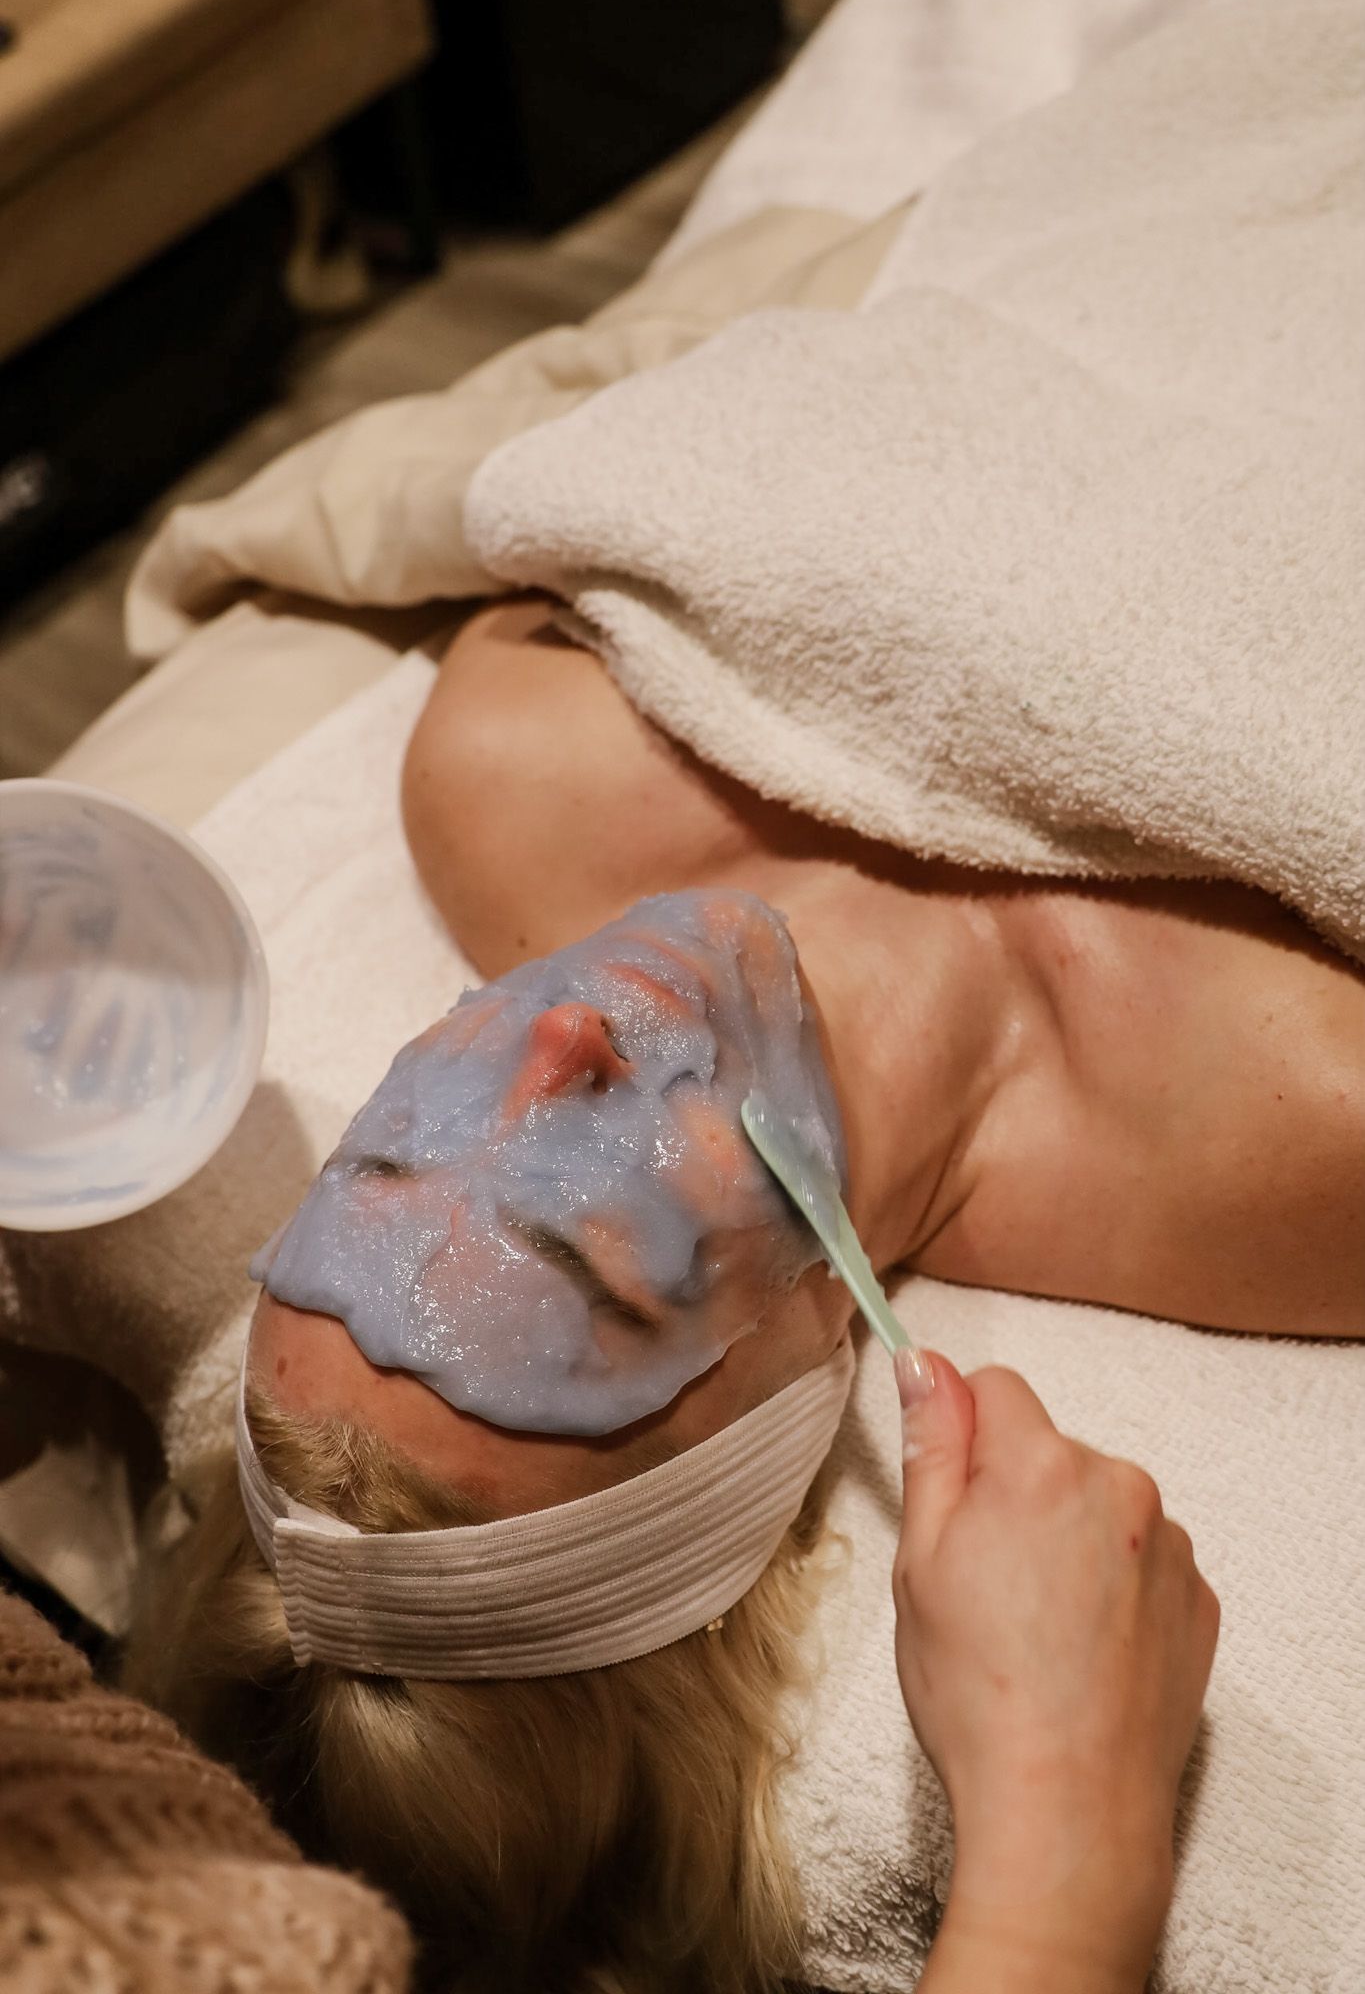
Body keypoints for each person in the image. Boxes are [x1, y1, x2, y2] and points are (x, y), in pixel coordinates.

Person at [128, 587, 1356, 1989]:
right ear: (791, 1416)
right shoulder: (1306, 1133)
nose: (560, 1037)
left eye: (401, 1146)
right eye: (578, 1239)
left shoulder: (513, 765)